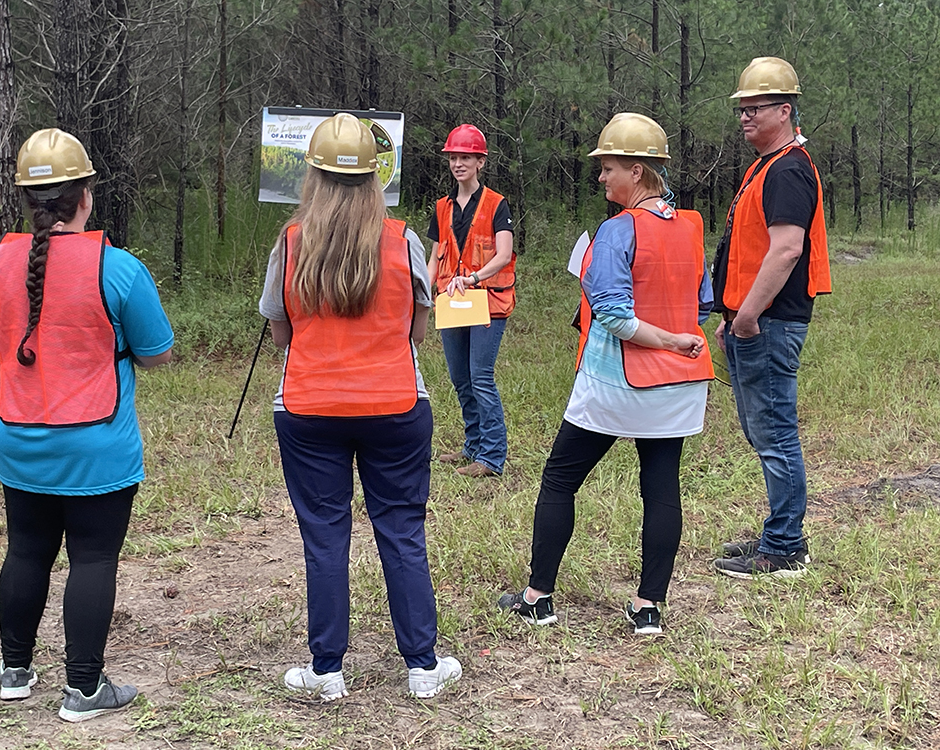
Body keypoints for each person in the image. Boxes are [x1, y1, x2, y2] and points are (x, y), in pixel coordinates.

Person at [0, 128, 173, 720]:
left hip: (19, 437)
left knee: (25, 551)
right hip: (98, 446)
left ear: (27, 202)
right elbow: (158, 353)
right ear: (85, 196)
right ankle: (83, 690)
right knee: (92, 558)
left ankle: (14, 670)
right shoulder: (119, 269)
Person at [259, 113, 461, 700]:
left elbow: (280, 334)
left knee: (324, 534)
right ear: (376, 178)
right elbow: (417, 332)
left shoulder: (290, 243)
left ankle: (327, 671)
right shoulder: (404, 241)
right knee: (401, 529)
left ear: (311, 177)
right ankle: (422, 666)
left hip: (308, 406)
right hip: (394, 403)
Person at [499, 114, 713, 635]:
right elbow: (701, 306)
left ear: (637, 172)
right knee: (661, 489)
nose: (600, 177)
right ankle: (648, 609)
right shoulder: (691, 226)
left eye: (608, 167)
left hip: (614, 383)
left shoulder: (618, 231)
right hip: (678, 384)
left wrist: (659, 337)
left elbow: (614, 317)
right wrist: (675, 338)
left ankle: (537, 597)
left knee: (559, 479)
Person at [711, 57, 831, 579]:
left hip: (770, 323)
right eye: (741, 108)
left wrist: (748, 317)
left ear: (785, 111)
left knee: (776, 433)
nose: (745, 116)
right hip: (752, 319)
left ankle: (785, 548)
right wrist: (732, 312)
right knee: (766, 432)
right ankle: (780, 533)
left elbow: (785, 251)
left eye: (755, 108)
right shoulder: (767, 165)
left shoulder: (787, 169)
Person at [427, 125, 515, 478]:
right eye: (453, 157)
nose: (458, 164)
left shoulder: (497, 204)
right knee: (460, 378)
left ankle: (492, 457)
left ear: (480, 161)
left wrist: (474, 277)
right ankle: (473, 446)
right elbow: (435, 257)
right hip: (451, 301)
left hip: (487, 302)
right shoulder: (442, 206)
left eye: (465, 157)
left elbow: (504, 253)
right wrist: (424, 289)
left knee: (481, 377)